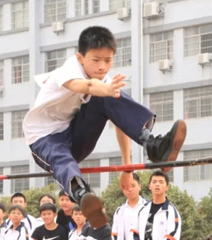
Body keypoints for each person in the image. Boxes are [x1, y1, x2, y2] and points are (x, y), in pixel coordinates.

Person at [23, 25, 187, 228]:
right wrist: (106, 89)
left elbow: (120, 121)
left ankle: (153, 146)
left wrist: (127, 167)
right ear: (80, 57)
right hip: (44, 138)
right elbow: (87, 86)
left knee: (108, 97)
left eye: (108, 61)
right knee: (62, 157)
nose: (102, 67)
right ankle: (82, 194)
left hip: (74, 134)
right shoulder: (68, 71)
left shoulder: (104, 80)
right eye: (96, 60)